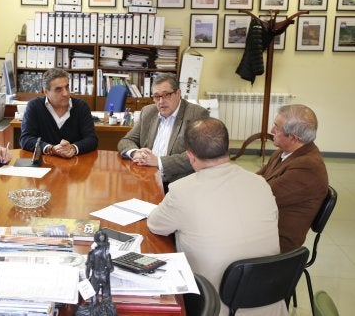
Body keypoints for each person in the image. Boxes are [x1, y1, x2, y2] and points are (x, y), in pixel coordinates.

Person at [147, 118, 284, 316]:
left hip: (214, 306)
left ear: (190, 156)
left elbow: (155, 224)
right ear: (227, 148)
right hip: (269, 302)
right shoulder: (261, 183)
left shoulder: (182, 191)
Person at [258, 104, 328, 252]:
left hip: (276, 243)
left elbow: (261, 198)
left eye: (277, 127)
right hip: (262, 227)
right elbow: (257, 180)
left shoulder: (308, 168)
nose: (272, 131)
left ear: (294, 138)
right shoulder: (283, 152)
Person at [117, 73, 209, 187]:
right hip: (146, 178)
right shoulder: (148, 112)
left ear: (178, 93)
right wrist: (135, 153)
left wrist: (158, 162)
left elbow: (198, 155)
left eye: (166, 95)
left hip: (177, 184)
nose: (161, 101)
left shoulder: (196, 114)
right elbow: (126, 140)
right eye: (156, 96)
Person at [20, 68, 98, 158]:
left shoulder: (81, 107)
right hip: (45, 164)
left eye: (67, 87)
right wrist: (51, 149)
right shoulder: (34, 106)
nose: (65, 93)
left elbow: (92, 140)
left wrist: (72, 148)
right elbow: (26, 139)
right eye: (58, 89)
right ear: (46, 91)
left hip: (75, 164)